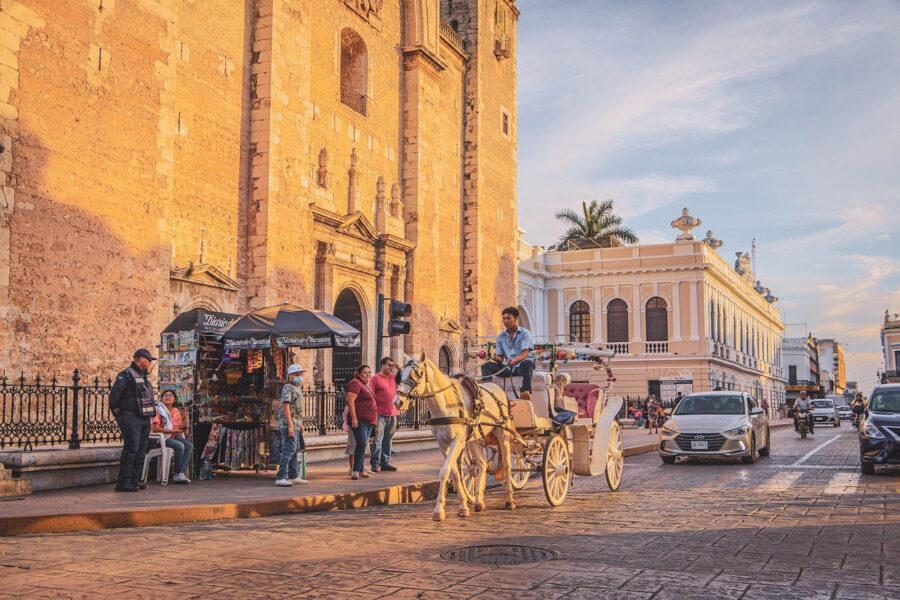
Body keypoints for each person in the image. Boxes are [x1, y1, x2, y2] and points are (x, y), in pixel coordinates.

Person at [108, 348, 158, 492]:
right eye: (148, 360)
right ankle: (124, 482)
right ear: (141, 359)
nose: (149, 363)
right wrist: (121, 416)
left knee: (141, 450)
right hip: (131, 417)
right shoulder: (126, 375)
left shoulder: (143, 376)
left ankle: (134, 480)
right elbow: (115, 397)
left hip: (143, 418)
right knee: (131, 449)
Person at [480, 307, 535, 400]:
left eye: (508, 318)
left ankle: (525, 391)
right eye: (504, 319)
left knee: (529, 362)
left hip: (522, 366)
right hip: (508, 367)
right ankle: (488, 390)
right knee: (486, 366)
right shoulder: (500, 337)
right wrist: (496, 358)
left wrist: (515, 360)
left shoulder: (525, 334)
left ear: (516, 318)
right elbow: (500, 358)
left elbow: (525, 353)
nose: (505, 321)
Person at [150, 390, 194, 484]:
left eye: (170, 395)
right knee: (180, 446)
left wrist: (183, 428)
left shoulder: (176, 411)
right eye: (165, 395)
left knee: (189, 446)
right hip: (160, 438)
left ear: (174, 399)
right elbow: (155, 428)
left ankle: (181, 473)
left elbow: (177, 426)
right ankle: (176, 474)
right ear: (161, 399)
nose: (168, 397)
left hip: (172, 436)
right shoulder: (158, 410)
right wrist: (174, 431)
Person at [275, 364, 308, 487]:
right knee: (289, 449)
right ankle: (281, 476)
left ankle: (293, 474)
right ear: (290, 375)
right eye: (297, 374)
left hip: (296, 423)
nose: (299, 376)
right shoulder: (287, 388)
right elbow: (286, 406)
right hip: (288, 423)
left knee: (295, 449)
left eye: (300, 374)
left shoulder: (298, 387)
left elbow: (298, 408)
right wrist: (290, 425)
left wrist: (300, 423)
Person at [346, 365, 378, 480]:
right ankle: (355, 470)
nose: (368, 375)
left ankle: (360, 469)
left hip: (368, 421)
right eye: (365, 372)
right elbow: (350, 400)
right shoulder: (355, 383)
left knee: (363, 445)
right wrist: (354, 418)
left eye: (369, 372)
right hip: (360, 421)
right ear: (358, 374)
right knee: (361, 444)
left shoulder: (365, 385)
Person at [370, 357, 399, 472]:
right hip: (379, 414)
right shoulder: (375, 378)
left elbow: (405, 379)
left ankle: (385, 463)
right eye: (389, 365)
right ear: (382, 365)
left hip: (393, 413)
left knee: (388, 440)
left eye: (392, 365)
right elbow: (371, 395)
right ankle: (375, 464)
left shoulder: (394, 378)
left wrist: (399, 368)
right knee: (378, 440)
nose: (391, 367)